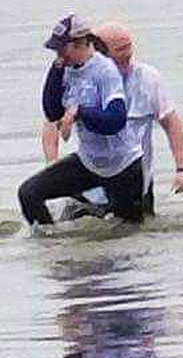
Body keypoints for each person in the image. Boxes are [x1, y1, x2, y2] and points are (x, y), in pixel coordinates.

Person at [18, 13, 145, 227]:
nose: (58, 54)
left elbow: (115, 120)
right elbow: (53, 112)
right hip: (89, 162)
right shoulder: (65, 70)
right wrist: (56, 70)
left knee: (127, 233)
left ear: (80, 44)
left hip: (123, 166)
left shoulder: (105, 71)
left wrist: (80, 112)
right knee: (29, 193)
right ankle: (51, 241)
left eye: (61, 48)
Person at [92, 22, 183, 215]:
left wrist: (182, 169)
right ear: (101, 53)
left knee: (137, 239)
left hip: (138, 184)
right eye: (120, 49)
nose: (128, 53)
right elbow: (52, 121)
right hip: (93, 188)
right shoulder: (86, 80)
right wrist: (52, 162)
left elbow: (171, 122)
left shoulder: (148, 78)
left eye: (129, 46)